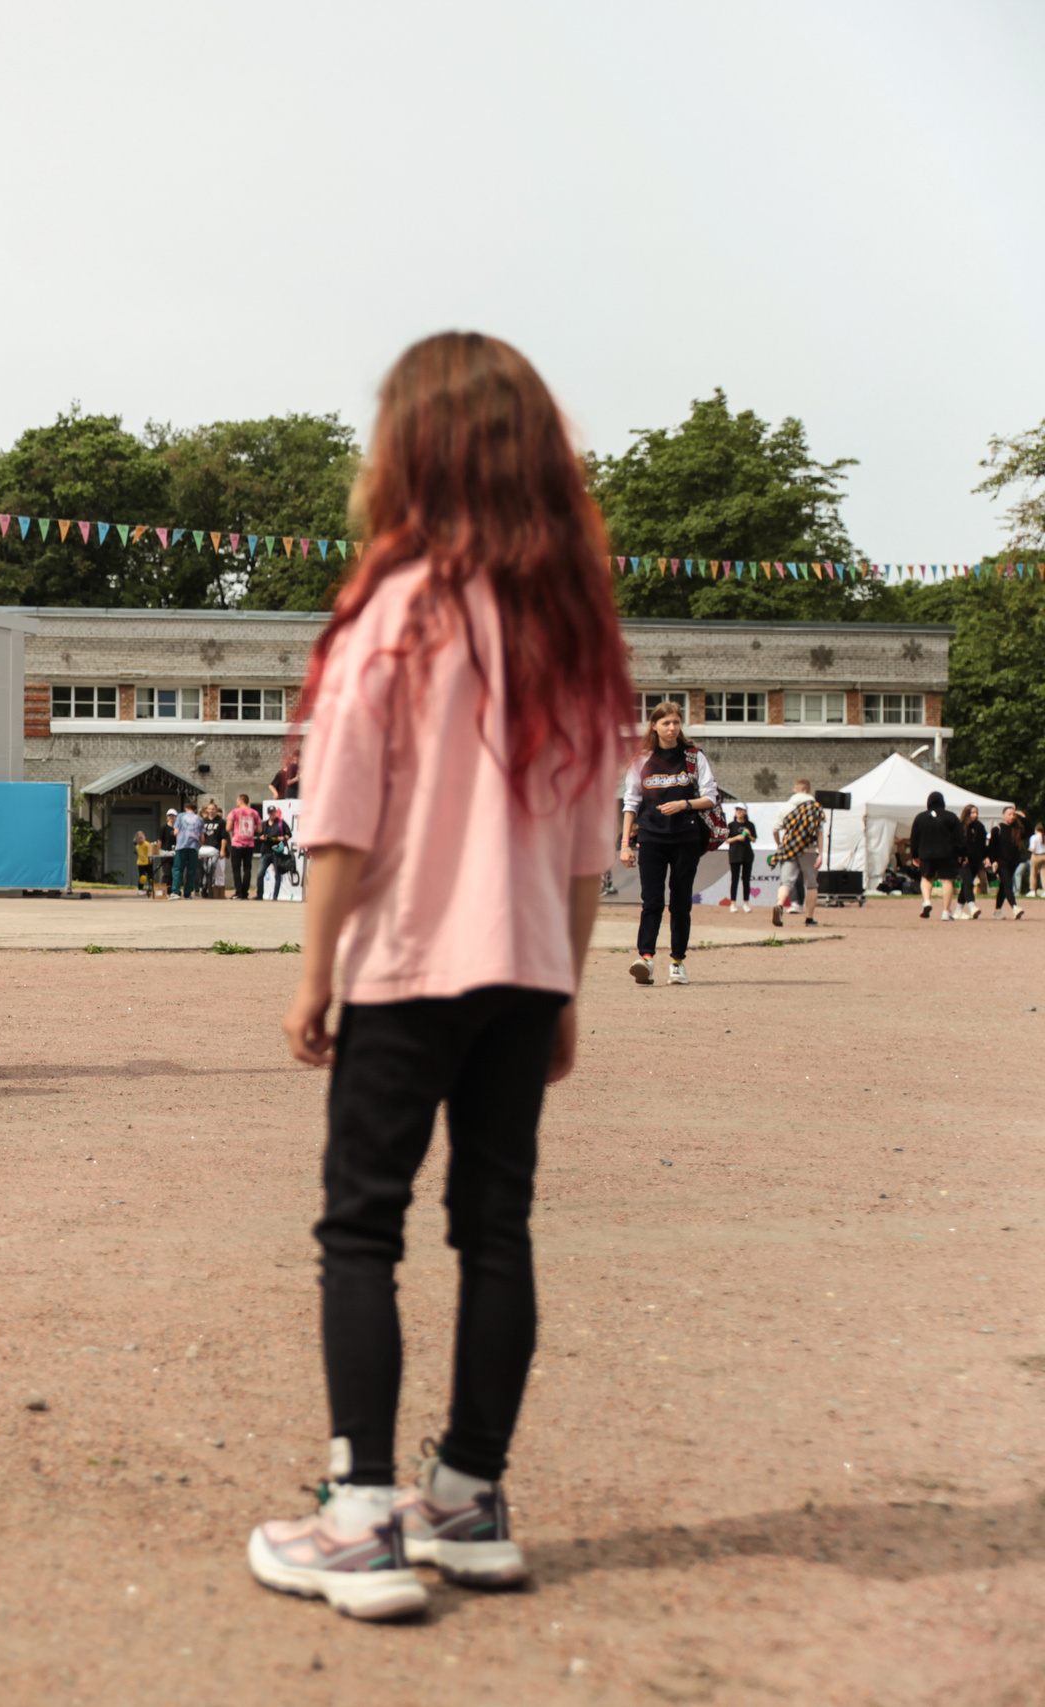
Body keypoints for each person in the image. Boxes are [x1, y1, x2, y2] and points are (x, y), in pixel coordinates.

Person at [250, 331, 630, 1621]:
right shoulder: (571, 628)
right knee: (494, 1227)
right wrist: (565, 987)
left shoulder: (395, 608)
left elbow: (342, 811)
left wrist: (314, 974)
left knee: (362, 1224)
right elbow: (590, 842)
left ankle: (358, 1513)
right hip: (525, 973)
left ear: (407, 452)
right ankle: (468, 1496)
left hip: (410, 964)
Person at [618, 702, 716, 985]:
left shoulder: (693, 757)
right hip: (650, 837)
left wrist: (684, 804)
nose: (672, 728)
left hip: (687, 838)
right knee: (651, 901)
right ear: (654, 726)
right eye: (666, 723)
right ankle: (646, 960)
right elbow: (631, 802)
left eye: (676, 722)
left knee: (681, 901)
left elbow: (711, 796)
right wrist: (626, 843)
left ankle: (677, 962)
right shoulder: (642, 760)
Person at [770, 780, 822, 929]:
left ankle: (779, 905)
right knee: (812, 884)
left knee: (786, 882)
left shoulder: (786, 807)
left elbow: (775, 830)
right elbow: (819, 833)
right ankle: (809, 919)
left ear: (795, 790)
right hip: (808, 848)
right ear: (809, 790)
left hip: (789, 847)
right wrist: (821, 853)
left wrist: (779, 845)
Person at [911, 790, 960, 920]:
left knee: (926, 878)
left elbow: (914, 838)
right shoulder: (951, 817)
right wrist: (961, 853)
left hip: (926, 854)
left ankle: (927, 901)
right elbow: (959, 837)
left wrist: (914, 854)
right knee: (946, 880)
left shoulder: (920, 817)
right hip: (947, 854)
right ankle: (946, 911)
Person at [985, 805, 1026, 920]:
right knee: (1008, 884)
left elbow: (1029, 831)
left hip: (1013, 862)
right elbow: (992, 848)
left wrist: (1023, 818)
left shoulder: (1017, 829)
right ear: (1003, 816)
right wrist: (993, 861)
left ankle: (997, 911)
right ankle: (1015, 907)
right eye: (1009, 814)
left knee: (1004, 886)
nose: (1012, 817)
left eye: (1013, 814)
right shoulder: (998, 829)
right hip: (1001, 862)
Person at [226, 793, 262, 899]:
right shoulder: (254, 813)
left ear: (241, 801)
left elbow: (228, 828)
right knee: (247, 868)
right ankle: (245, 892)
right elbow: (260, 829)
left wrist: (235, 828)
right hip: (250, 844)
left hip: (237, 842)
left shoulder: (235, 812)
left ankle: (239, 892)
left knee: (236, 868)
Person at [722, 806, 757, 913]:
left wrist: (749, 835)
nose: (738, 812)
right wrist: (737, 838)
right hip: (735, 854)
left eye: (741, 810)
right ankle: (733, 903)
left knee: (746, 880)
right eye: (737, 810)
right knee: (734, 879)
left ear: (745, 812)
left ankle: (746, 903)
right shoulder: (731, 825)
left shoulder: (750, 825)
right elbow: (726, 840)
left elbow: (754, 839)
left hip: (747, 854)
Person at [959, 804, 991, 918]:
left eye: (976, 813)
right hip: (963, 861)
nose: (975, 815)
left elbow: (983, 845)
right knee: (968, 882)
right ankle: (972, 906)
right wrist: (962, 855)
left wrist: (986, 857)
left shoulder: (979, 827)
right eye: (973, 812)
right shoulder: (960, 826)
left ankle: (958, 910)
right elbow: (958, 843)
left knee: (965, 885)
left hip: (975, 860)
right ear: (967, 813)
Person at [172, 802, 201, 900]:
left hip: (181, 845)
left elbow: (176, 832)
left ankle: (176, 891)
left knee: (178, 868)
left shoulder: (180, 816)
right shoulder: (199, 819)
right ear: (195, 810)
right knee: (191, 870)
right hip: (193, 846)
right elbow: (203, 836)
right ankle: (188, 893)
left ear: (186, 808)